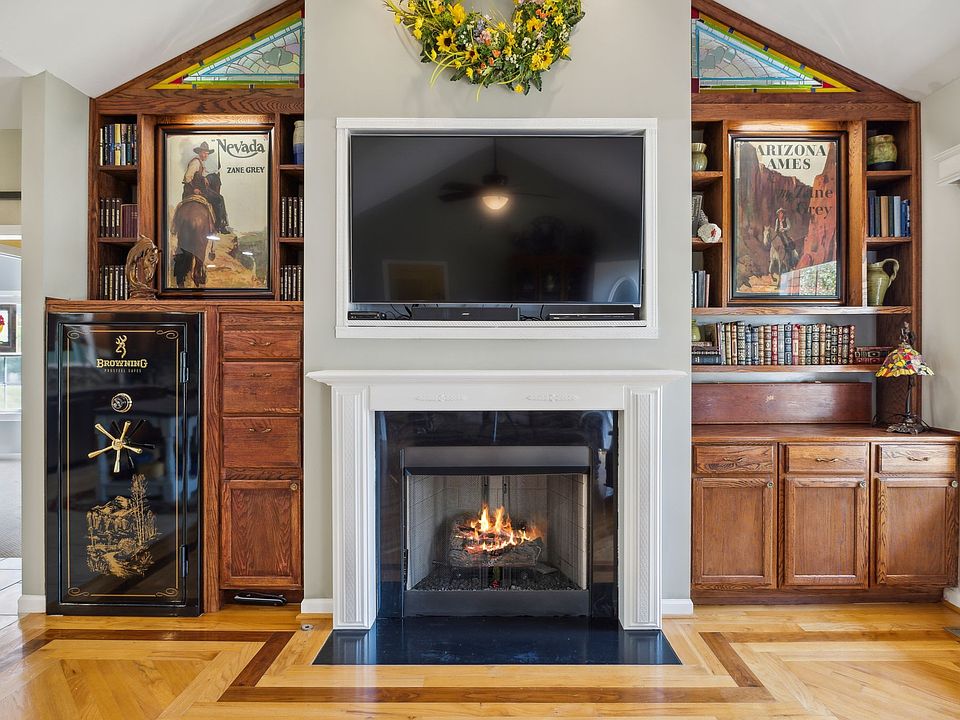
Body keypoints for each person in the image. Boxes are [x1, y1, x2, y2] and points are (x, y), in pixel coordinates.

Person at [182, 141, 233, 234]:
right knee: (219, 199)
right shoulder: (195, 162)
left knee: (213, 177)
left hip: (196, 188)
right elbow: (187, 177)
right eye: (203, 153)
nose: (205, 155)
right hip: (192, 190)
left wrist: (205, 177)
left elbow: (199, 175)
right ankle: (220, 225)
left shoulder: (200, 163)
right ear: (199, 153)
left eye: (207, 153)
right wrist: (194, 189)